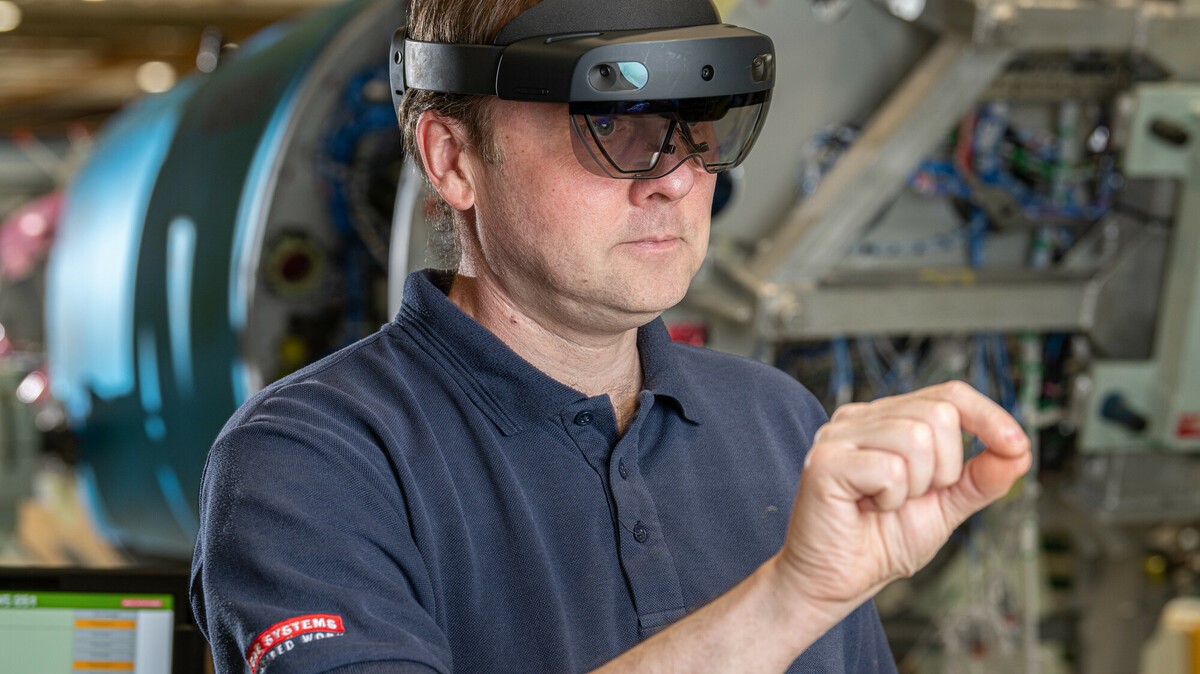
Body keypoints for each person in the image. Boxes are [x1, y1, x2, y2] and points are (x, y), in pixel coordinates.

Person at [189, 0, 1031, 671]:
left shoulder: (778, 421)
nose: (678, 179)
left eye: (701, 123)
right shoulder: (310, 463)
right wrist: (788, 601)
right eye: (613, 123)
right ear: (452, 160)